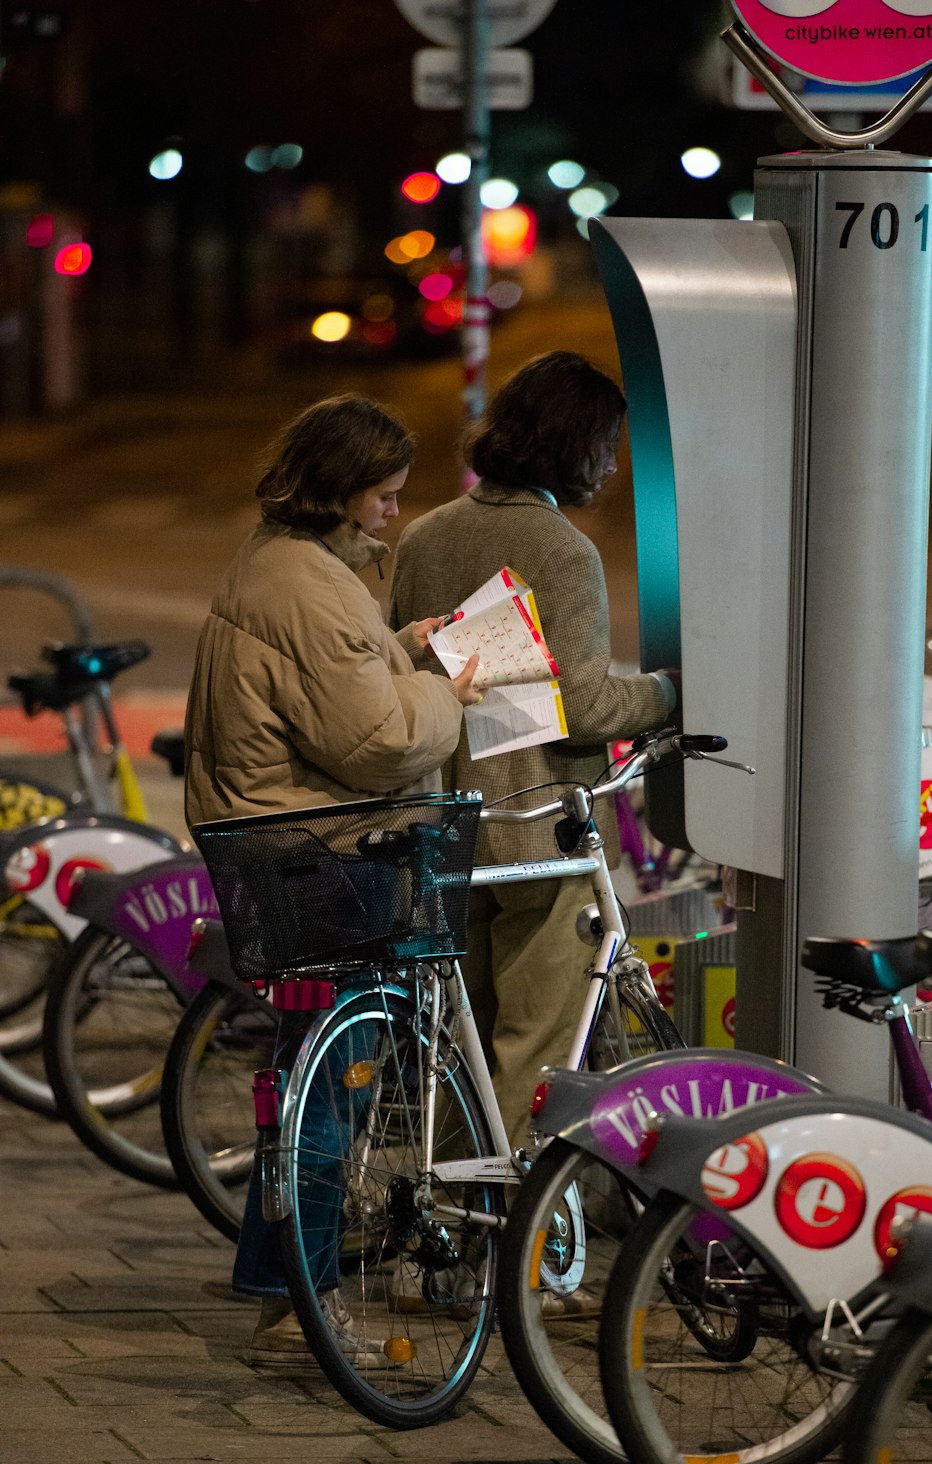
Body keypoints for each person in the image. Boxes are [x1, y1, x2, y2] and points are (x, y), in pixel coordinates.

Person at [184, 392, 481, 1368]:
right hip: (327, 848)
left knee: (316, 1065)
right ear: (344, 492)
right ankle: (299, 1286)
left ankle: (280, 1281)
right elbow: (373, 741)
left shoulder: (284, 564)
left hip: (281, 838)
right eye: (385, 496)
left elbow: (325, 686)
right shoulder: (309, 583)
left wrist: (400, 649)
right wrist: (447, 692)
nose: (395, 513)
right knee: (338, 1090)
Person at [389, 351, 677, 1152]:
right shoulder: (560, 550)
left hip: (444, 816)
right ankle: (515, 1240)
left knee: (462, 1041)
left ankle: (447, 1231)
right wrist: (666, 692)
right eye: (607, 445)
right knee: (536, 1045)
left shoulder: (425, 535)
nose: (613, 464)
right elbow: (583, 706)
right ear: (576, 445)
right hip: (536, 825)